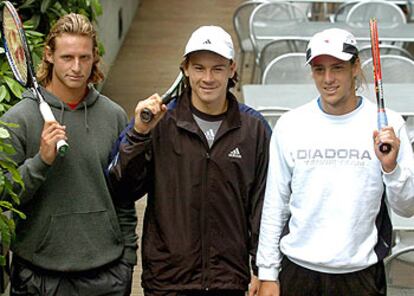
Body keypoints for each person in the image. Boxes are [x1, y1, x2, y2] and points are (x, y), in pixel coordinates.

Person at [107, 25, 271, 296]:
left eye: (217, 68)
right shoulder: (159, 123)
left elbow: (263, 206)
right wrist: (138, 134)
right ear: (185, 68)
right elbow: (121, 188)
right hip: (167, 281)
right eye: (199, 68)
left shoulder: (254, 129)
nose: (208, 78)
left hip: (228, 281)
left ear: (232, 69)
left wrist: (262, 269)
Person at [257, 28, 414, 296]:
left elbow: (407, 207)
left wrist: (391, 168)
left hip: (361, 276)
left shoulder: (389, 126)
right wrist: (268, 272)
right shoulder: (290, 125)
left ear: (355, 68)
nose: (328, 79)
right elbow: (275, 204)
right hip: (298, 273)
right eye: (319, 69)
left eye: (337, 68)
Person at [1, 13, 137, 295]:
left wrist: (128, 261)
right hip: (38, 278)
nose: (77, 67)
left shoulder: (113, 116)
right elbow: (5, 197)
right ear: (49, 55)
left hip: (107, 275)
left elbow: (124, 197)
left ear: (94, 58)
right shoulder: (19, 119)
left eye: (84, 58)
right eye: (67, 57)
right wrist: (41, 162)